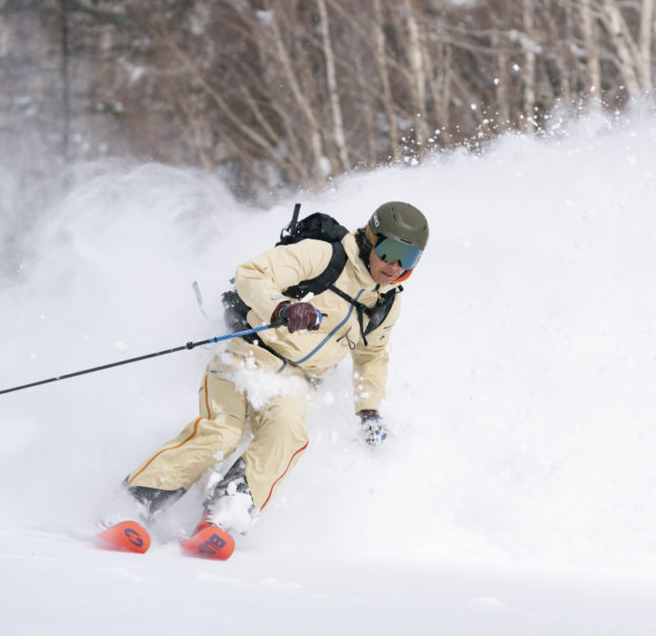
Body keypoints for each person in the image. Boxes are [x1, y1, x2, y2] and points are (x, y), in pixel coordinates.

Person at [116, 201, 428, 536]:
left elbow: (373, 355)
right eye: (390, 250)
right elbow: (252, 273)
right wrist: (282, 307)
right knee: (222, 434)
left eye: (408, 258)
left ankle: (223, 518)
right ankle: (132, 505)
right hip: (245, 357)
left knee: (287, 435)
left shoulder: (387, 301)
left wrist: (369, 409)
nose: (395, 266)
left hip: (296, 382)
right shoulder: (324, 256)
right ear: (370, 238)